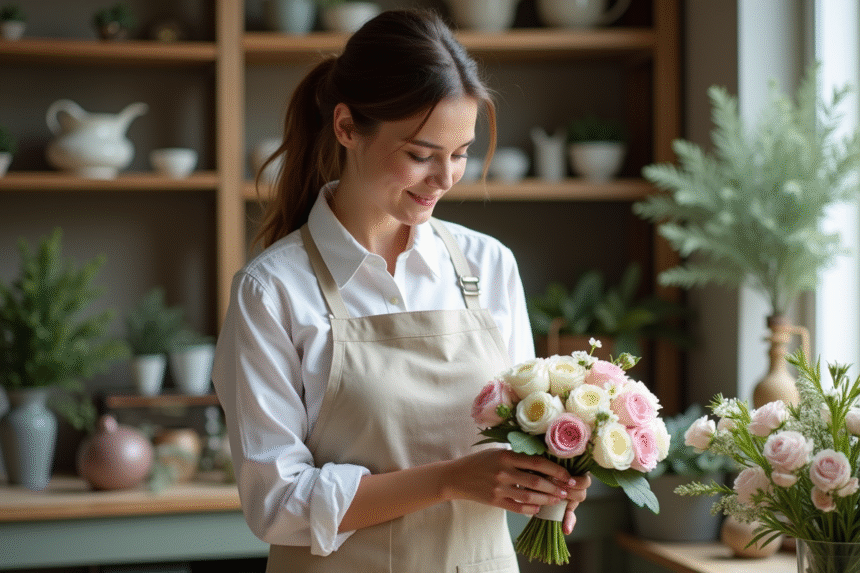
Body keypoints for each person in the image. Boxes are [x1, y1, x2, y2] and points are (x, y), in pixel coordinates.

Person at [213, 9, 590, 572]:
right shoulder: (273, 292)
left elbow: (518, 444)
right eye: (420, 154)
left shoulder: (489, 266)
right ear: (346, 128)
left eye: (460, 154)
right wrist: (447, 481)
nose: (445, 179)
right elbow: (276, 503)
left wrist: (549, 480)